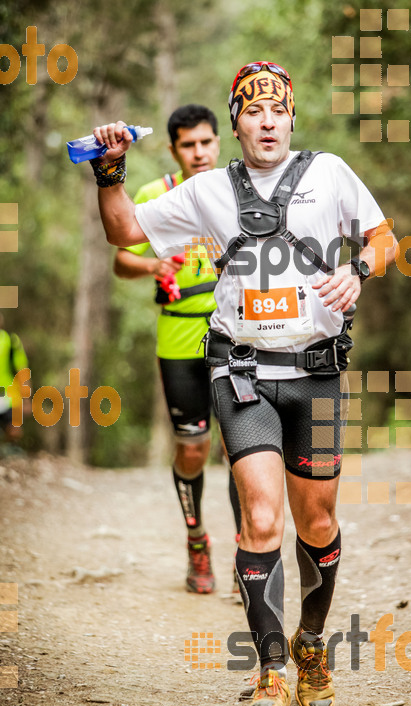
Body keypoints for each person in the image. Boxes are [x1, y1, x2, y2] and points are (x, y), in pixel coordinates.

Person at [89, 61, 399, 706]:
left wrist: (358, 270)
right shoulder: (207, 190)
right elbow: (123, 233)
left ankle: (310, 643)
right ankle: (269, 673)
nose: (266, 120)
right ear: (235, 122)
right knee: (261, 517)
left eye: (277, 110)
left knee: (315, 522)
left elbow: (383, 237)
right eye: (252, 111)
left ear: (290, 117)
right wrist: (108, 171)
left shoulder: (329, 172)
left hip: (315, 373)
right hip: (242, 374)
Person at [113, 104, 241, 595]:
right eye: (188, 144)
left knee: (240, 448)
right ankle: (196, 541)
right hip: (179, 342)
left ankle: (245, 550)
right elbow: (123, 258)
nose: (199, 152)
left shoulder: (237, 189)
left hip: (237, 340)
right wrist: (153, 267)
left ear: (218, 142)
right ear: (173, 150)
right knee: (192, 449)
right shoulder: (154, 195)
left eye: (207, 142)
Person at [0, 314, 29, 447]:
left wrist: (26, 398)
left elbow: (22, 370)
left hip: (9, 395)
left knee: (14, 430)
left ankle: (7, 450)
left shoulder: (12, 341)